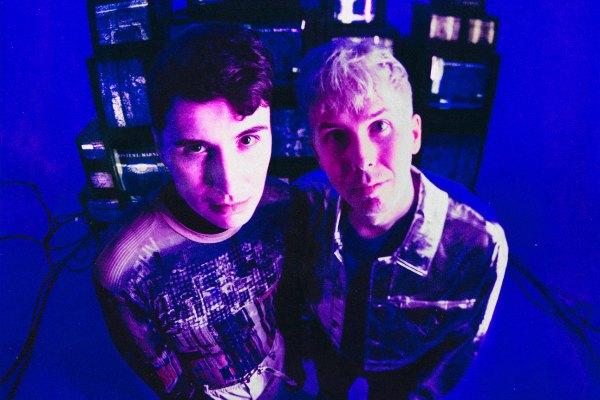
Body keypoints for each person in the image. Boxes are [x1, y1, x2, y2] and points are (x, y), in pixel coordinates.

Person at [279, 38, 508, 399]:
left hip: (408, 369)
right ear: (315, 150)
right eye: (336, 136)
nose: (362, 160)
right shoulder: (304, 205)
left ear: (414, 134)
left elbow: (459, 351)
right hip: (330, 351)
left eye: (380, 126)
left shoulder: (477, 243)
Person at [94, 24, 294, 399]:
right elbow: (167, 381)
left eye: (248, 139)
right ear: (159, 145)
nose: (230, 184)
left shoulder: (284, 207)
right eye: (196, 148)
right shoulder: (124, 270)